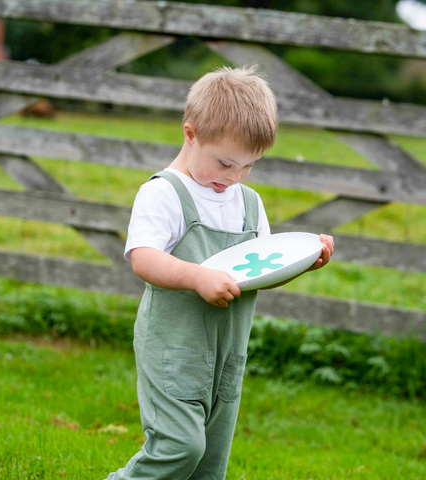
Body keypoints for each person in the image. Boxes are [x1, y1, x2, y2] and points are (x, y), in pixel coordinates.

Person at [106, 65, 334, 480]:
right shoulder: (164, 193)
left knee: (210, 462)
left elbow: (262, 271)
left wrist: (303, 261)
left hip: (228, 354)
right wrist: (198, 276)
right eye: (226, 163)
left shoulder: (247, 202)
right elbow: (143, 257)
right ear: (190, 134)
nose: (234, 178)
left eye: (248, 166)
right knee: (180, 447)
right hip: (175, 349)